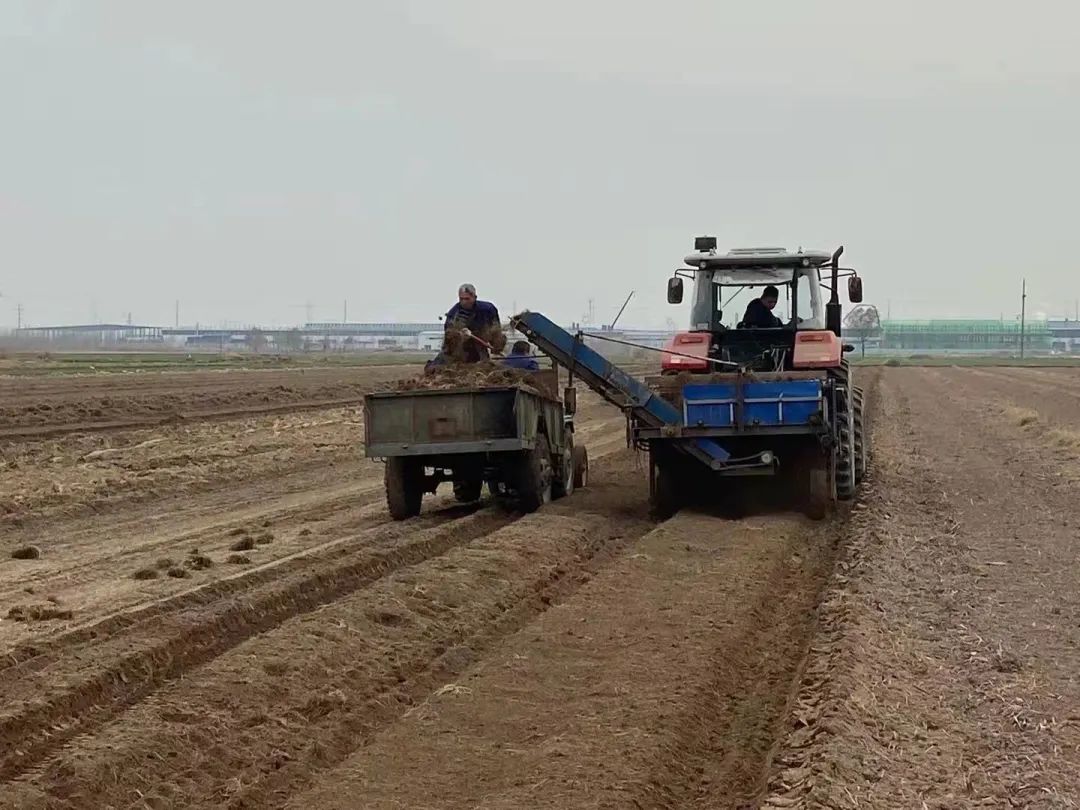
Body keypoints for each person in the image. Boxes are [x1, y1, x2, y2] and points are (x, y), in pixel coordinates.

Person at [445, 283, 501, 361]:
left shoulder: (488, 309)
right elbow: (448, 337)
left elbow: (496, 330)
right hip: (462, 350)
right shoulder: (453, 314)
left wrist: (495, 346)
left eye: (467, 299)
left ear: (474, 297)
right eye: (461, 299)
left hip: (482, 346)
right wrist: (460, 335)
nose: (464, 302)